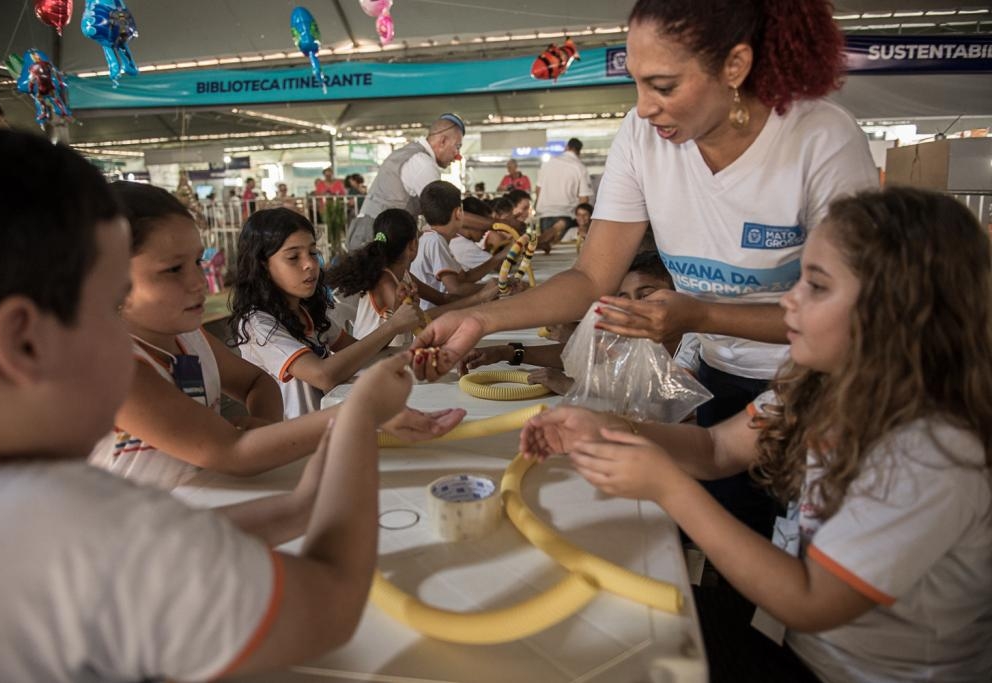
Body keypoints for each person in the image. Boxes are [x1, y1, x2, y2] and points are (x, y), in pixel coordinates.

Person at [412, 0, 878, 539]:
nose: (643, 107)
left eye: (663, 85)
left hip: (818, 385)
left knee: (804, 546)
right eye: (635, 82)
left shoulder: (819, 140)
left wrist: (700, 312)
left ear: (735, 66)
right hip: (714, 380)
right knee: (723, 536)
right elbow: (591, 278)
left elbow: (852, 315)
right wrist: (484, 321)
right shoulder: (642, 137)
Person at [0, 125, 418, 681]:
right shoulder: (84, 530)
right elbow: (334, 600)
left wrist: (301, 507)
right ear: (24, 342)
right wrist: (360, 417)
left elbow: (177, 532)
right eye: (111, 302)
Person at [521, 187, 992, 683]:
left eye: (816, 286)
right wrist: (614, 427)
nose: (788, 301)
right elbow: (716, 448)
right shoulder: (824, 387)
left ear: (897, 309)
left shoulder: (933, 449)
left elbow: (811, 600)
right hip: (800, 644)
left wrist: (667, 486)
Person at [87, 183, 461, 490]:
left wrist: (263, 426)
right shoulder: (118, 370)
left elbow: (256, 382)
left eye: (198, 262)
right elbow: (233, 450)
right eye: (172, 269)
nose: (199, 282)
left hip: (220, 500)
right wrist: (365, 411)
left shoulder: (192, 337)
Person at [229, 207, 426, 415]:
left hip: (326, 427)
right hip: (296, 439)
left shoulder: (307, 311)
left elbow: (363, 353)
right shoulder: (258, 324)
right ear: (262, 266)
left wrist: (396, 313)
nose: (310, 265)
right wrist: (394, 325)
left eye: (312, 253)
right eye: (293, 257)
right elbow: (323, 375)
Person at [461, 250, 683, 396]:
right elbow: (593, 356)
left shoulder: (691, 347)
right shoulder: (634, 337)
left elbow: (660, 401)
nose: (635, 306)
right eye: (624, 299)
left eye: (645, 295)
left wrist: (575, 389)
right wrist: (507, 352)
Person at [326, 208, 498, 341]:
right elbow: (417, 319)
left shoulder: (403, 275)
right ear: (413, 245)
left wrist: (487, 294)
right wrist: (479, 298)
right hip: (371, 362)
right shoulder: (385, 281)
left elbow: (443, 299)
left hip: (390, 355)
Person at [346, 113, 466, 250]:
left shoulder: (411, 153)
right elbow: (446, 214)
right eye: (457, 146)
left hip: (371, 230)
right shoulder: (423, 163)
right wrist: (490, 224)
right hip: (376, 234)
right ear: (442, 141)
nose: (458, 156)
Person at [410, 181, 498, 311]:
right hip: (432, 318)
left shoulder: (431, 238)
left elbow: (465, 278)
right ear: (458, 213)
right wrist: (496, 288)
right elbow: (456, 289)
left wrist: (501, 257)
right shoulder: (435, 241)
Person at [534, 138, 592, 248]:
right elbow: (584, 199)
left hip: (545, 217)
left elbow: (538, 191)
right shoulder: (580, 167)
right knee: (564, 254)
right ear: (579, 152)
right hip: (567, 216)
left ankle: (541, 240)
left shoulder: (548, 164)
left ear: (566, 147)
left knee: (547, 255)